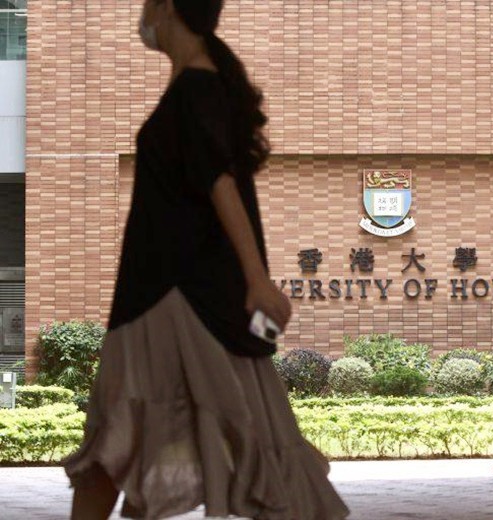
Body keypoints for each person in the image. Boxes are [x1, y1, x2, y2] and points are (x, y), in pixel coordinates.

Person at [64, 1, 350, 518]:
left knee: (117, 439)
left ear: (169, 7)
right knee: (123, 443)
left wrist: (257, 281)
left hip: (174, 297)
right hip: (173, 296)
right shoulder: (201, 86)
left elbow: (220, 182)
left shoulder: (197, 89)